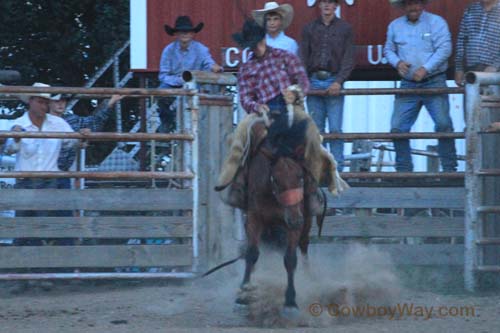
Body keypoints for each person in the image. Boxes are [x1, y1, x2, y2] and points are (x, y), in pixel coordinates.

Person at [215, 19, 348, 212]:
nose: (252, 47)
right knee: (241, 137)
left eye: (253, 42)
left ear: (260, 40)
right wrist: (256, 105)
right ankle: (236, 183)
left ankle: (314, 187)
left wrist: (294, 92)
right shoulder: (247, 67)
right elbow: (245, 97)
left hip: (290, 107)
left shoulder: (284, 57)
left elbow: (303, 80)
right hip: (263, 111)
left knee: (312, 135)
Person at [384, 0, 458, 172]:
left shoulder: (436, 22)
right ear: (404, 6)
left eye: (416, 3)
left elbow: (445, 49)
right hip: (408, 83)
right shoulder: (395, 26)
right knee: (397, 127)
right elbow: (388, 50)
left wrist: (426, 68)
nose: (413, 7)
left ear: (423, 4)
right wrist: (398, 62)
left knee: (443, 125)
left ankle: (449, 170)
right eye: (409, 4)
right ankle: (404, 171)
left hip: (434, 80)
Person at [3, 83, 77, 226]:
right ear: (30, 101)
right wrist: (16, 138)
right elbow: (10, 149)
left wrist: (82, 137)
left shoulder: (58, 123)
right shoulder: (18, 124)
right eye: (40, 102)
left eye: (46, 103)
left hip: (49, 181)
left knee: (47, 227)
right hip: (27, 182)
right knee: (26, 228)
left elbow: (72, 142)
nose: (44, 106)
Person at [300, 0, 355, 171]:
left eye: (331, 2)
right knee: (316, 129)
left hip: (334, 80)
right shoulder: (308, 29)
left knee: (335, 128)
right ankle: (317, 171)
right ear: (319, 5)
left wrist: (339, 81)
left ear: (336, 6)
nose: (327, 5)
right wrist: (305, 82)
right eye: (324, 1)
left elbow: (349, 58)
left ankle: (337, 171)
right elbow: (302, 56)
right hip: (314, 80)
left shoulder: (345, 29)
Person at [158, 15, 223, 132]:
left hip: (194, 83)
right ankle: (167, 122)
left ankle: (196, 125)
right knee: (161, 93)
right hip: (174, 83)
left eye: (187, 31)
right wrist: (179, 81)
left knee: (199, 94)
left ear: (193, 34)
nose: (185, 34)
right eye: (181, 31)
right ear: (176, 34)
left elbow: (209, 63)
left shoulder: (201, 49)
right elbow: (163, 75)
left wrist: (214, 67)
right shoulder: (168, 50)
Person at [454, 0, 500, 91]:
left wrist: (495, 65)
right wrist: (458, 68)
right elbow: (461, 39)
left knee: (491, 103)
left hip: (495, 72)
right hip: (471, 69)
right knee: (471, 103)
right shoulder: (471, 9)